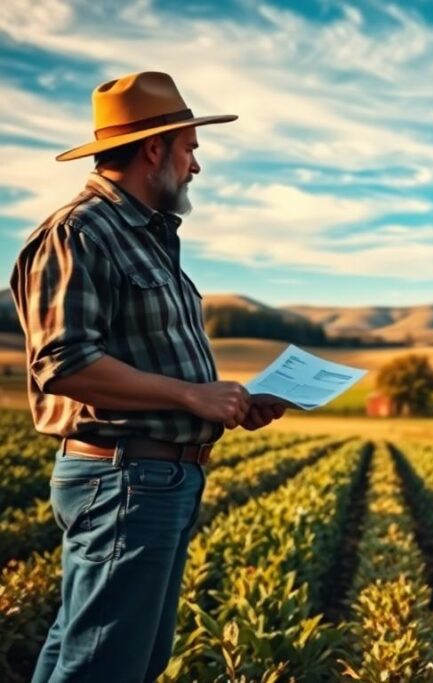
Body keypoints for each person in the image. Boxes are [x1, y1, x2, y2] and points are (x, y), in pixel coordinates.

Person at [8, 71, 286, 683]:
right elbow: (63, 361)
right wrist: (191, 394)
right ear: (154, 149)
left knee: (100, 656)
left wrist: (230, 403)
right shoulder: (80, 232)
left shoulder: (146, 239)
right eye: (190, 149)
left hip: (152, 478)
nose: (195, 167)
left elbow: (145, 360)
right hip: (124, 479)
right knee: (106, 666)